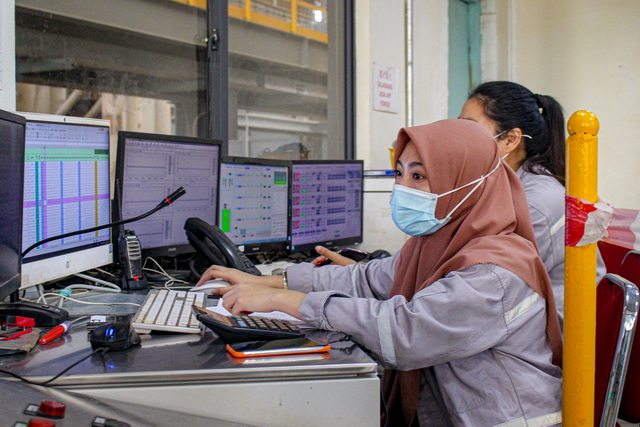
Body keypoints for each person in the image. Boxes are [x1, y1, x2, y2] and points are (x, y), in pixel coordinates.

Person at [198, 119, 563, 426]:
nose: (401, 188)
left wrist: (288, 301)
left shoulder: (495, 270)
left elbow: (406, 334)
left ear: (465, 182)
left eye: (419, 176)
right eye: (399, 173)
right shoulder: (440, 243)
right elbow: (367, 278)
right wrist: (271, 280)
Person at [316, 81, 605, 325]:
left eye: (470, 129)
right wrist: (366, 276)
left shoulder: (536, 202)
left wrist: (362, 281)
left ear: (511, 140)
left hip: (538, 338)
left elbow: (464, 282)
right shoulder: (499, 187)